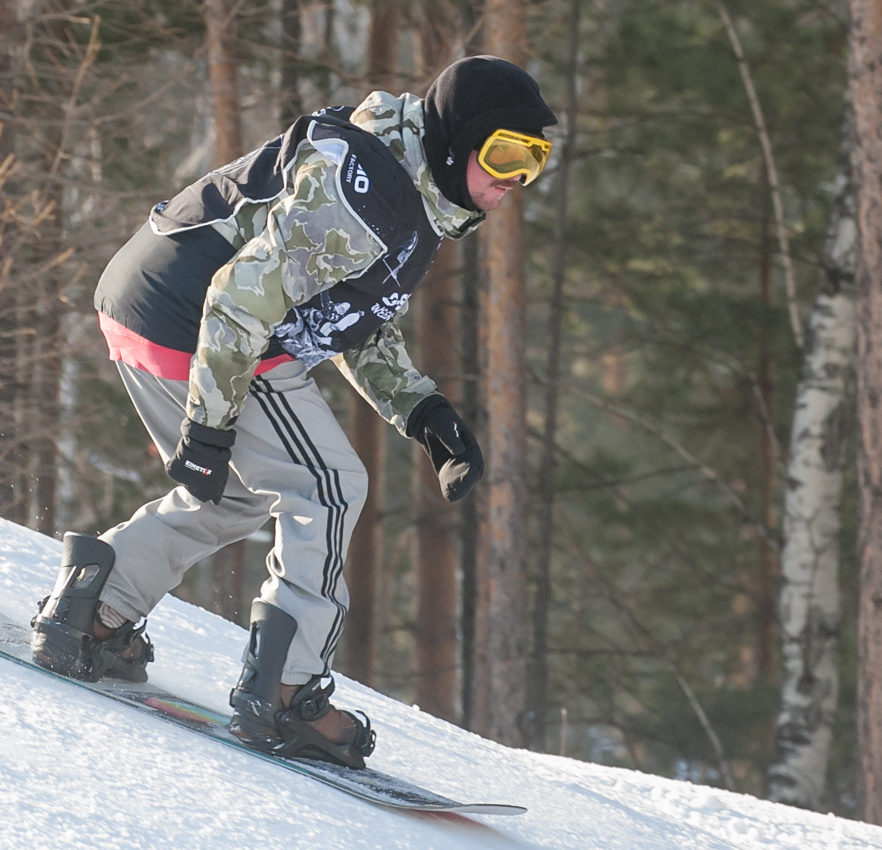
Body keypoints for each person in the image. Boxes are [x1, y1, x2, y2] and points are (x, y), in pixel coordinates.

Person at [29, 55, 557, 770]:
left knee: (238, 494)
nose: (513, 181)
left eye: (533, 163)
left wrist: (422, 409)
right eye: (504, 156)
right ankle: (285, 692)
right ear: (459, 139)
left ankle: (93, 608)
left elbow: (345, 310)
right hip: (201, 321)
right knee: (330, 486)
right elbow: (239, 299)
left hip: (147, 303)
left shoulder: (408, 190)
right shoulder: (366, 195)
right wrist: (209, 425)